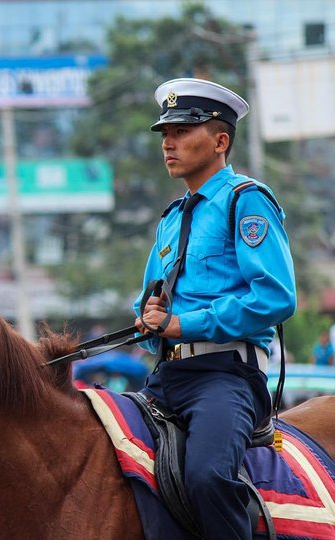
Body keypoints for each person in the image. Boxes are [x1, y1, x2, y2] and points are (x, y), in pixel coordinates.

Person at [133, 78, 296, 539]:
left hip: (225, 377)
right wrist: (144, 319)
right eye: (165, 133)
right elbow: (149, 300)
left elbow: (276, 297)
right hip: (165, 379)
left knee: (207, 477)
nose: (169, 142)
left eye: (183, 131)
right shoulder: (171, 218)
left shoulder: (246, 201)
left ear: (220, 140)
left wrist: (184, 323)